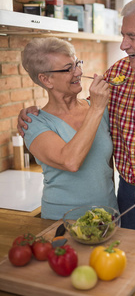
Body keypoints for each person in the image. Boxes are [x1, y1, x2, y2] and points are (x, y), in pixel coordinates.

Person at [17, 0, 135, 295]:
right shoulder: (119, 75)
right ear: (45, 79)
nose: (123, 45)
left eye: (131, 36)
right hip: (118, 199)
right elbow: (70, 152)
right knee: (125, 281)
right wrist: (27, 113)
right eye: (122, 35)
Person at [18, 37, 118, 220]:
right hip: (62, 221)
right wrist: (96, 108)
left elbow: (106, 167)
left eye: (77, 63)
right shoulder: (34, 123)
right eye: (68, 68)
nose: (78, 72)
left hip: (109, 216)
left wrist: (96, 107)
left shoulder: (98, 109)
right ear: (46, 79)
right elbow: (70, 162)